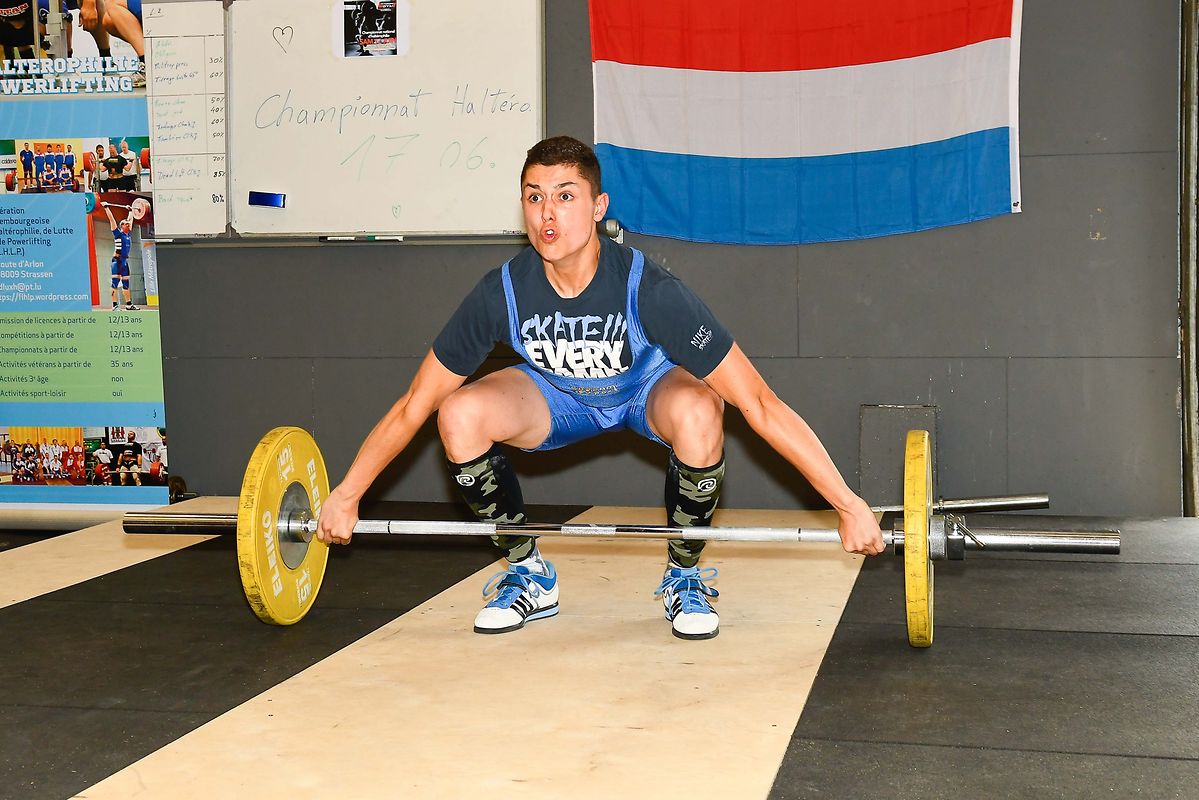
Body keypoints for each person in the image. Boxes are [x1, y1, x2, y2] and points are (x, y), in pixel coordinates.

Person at [316, 136, 884, 641]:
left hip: (644, 390)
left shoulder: (649, 290)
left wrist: (848, 505)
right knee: (456, 414)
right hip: (557, 398)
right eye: (534, 197)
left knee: (701, 411)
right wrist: (346, 495)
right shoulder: (502, 292)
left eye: (565, 195)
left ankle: (684, 573)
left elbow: (759, 402)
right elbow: (415, 403)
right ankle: (528, 573)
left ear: (598, 206)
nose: (548, 215)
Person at [102, 201, 137, 310]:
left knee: (126, 283)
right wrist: (106, 208)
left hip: (125, 262)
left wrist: (130, 211)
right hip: (116, 261)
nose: (129, 224)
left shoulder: (128, 234)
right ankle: (115, 306)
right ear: (122, 226)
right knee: (115, 283)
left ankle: (129, 305)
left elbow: (130, 219)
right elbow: (111, 220)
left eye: (128, 223)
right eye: (126, 224)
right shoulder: (117, 234)